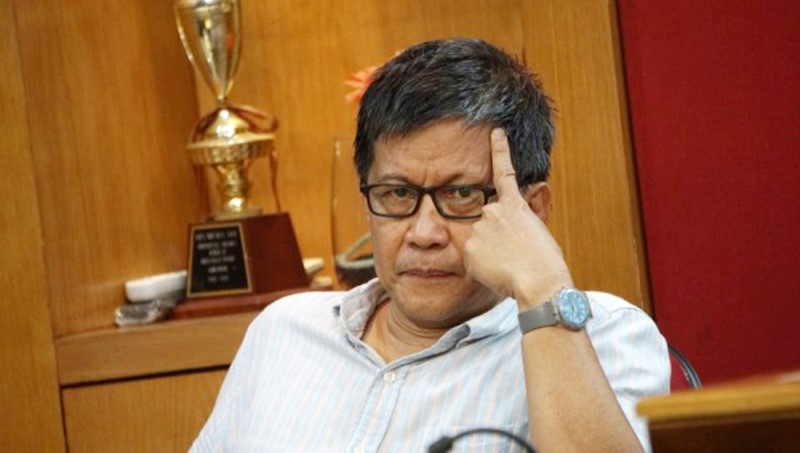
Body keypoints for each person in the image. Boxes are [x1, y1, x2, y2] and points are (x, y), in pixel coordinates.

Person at [191, 38, 669, 452]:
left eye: (461, 194)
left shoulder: (604, 336)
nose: (424, 233)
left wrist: (543, 291)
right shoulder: (282, 331)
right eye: (398, 193)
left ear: (533, 209)